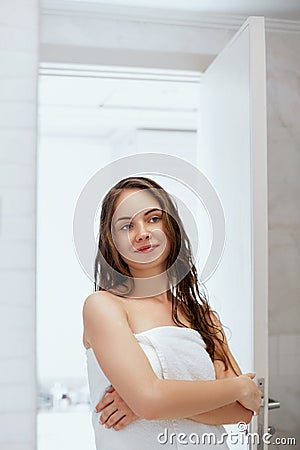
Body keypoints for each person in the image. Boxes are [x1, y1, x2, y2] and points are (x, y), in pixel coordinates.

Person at [82, 176, 261, 449]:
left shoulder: (202, 316)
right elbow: (151, 401)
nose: (142, 233)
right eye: (127, 225)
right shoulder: (103, 306)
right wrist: (239, 387)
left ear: (171, 227)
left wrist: (155, 401)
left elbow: (241, 412)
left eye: (153, 218)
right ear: (112, 240)